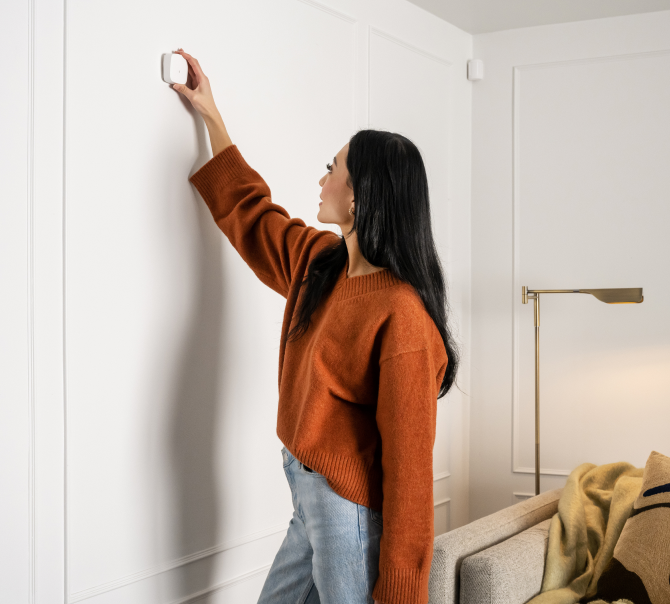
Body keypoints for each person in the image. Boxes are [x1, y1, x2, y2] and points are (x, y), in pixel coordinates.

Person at [172, 48, 459, 604]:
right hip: (306, 495)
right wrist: (211, 115)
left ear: (359, 196)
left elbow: (409, 473)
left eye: (333, 168)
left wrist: (402, 588)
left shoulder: (403, 317)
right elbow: (253, 214)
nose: (322, 178)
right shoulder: (319, 262)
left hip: (347, 510)